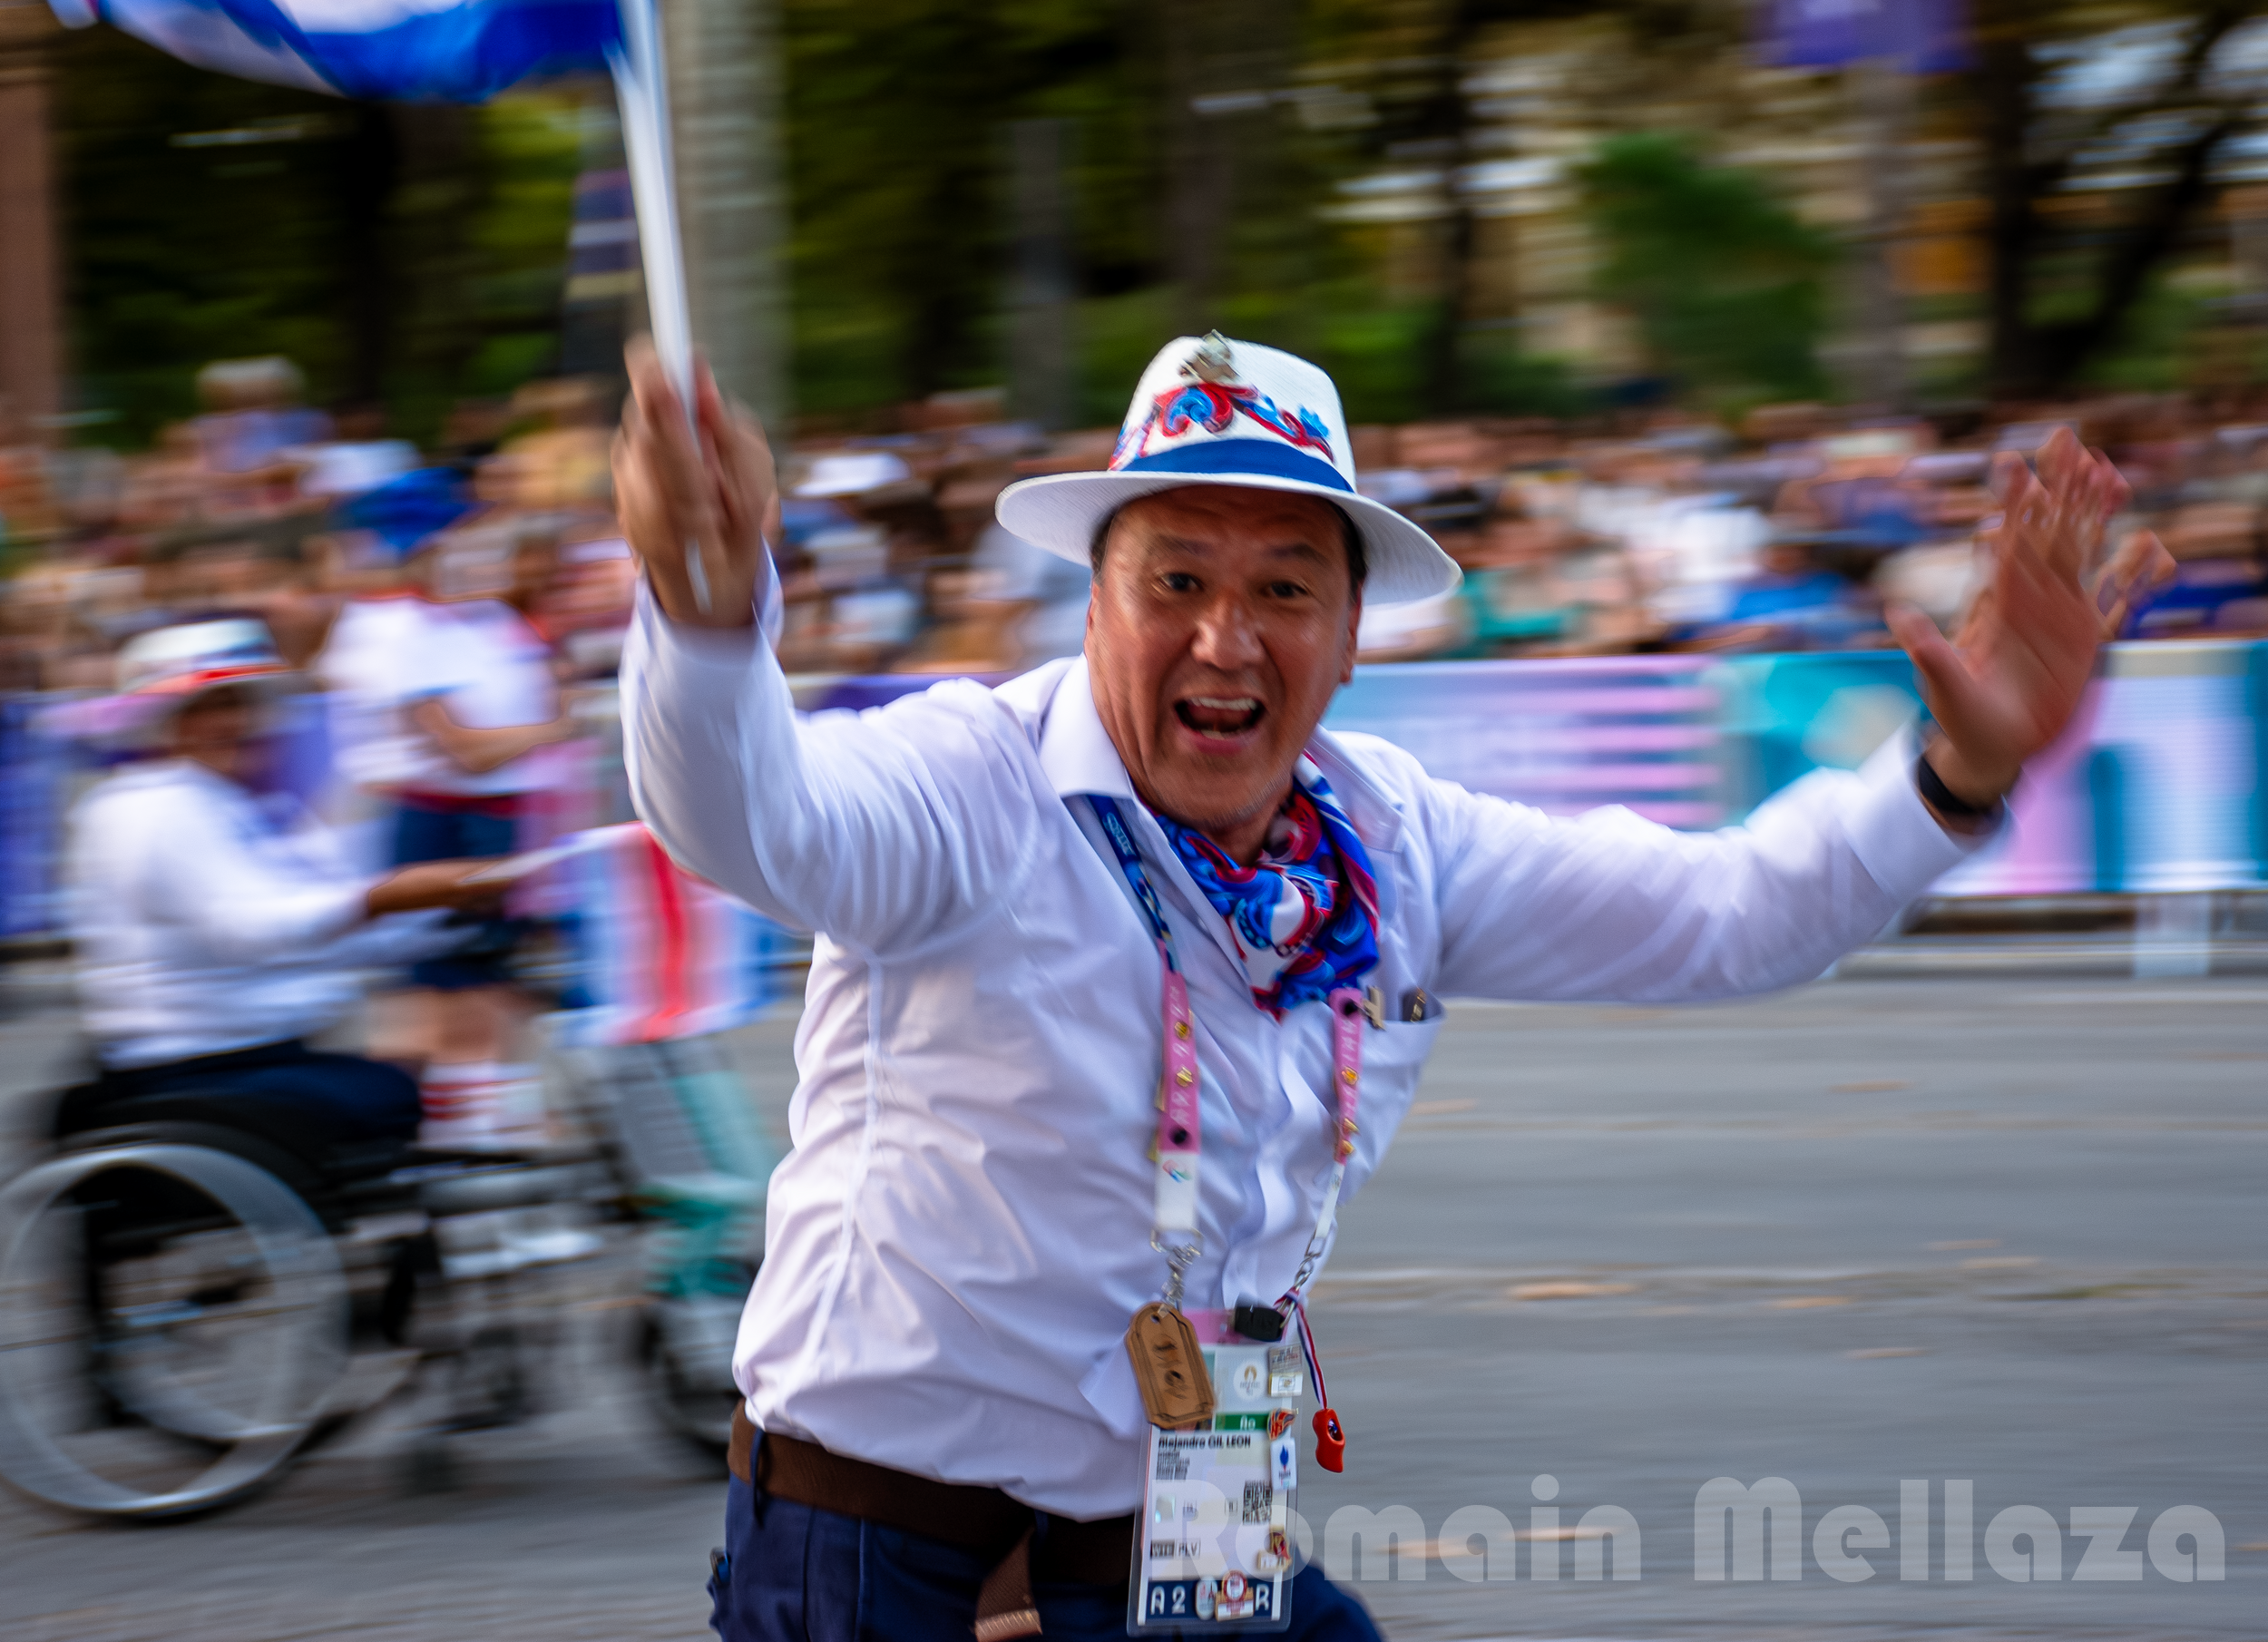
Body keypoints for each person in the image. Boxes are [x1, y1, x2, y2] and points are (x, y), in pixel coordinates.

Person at [612, 331, 2166, 1642]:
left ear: (1351, 637)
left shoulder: (1397, 843)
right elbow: (751, 816)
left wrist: (1961, 767)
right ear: (1094, 603)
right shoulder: (968, 789)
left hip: (1204, 1508)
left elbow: (1730, 914)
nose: (1227, 637)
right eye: (1176, 579)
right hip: (892, 1559)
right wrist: (698, 621)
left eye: (1288, 588)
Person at [64, 620, 507, 1151]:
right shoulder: (155, 808)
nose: (241, 723)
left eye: (244, 705)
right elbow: (256, 929)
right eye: (212, 708)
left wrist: (448, 917)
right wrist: (391, 897)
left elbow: (319, 927)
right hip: (195, 1066)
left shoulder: (227, 803)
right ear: (163, 723)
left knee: (406, 1081)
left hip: (248, 1055)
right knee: (394, 1090)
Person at [320, 470, 579, 1146]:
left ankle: (480, 1130)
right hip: (439, 819)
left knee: (484, 991)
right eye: (460, 531)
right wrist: (554, 732)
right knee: (445, 996)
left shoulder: (475, 619)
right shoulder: (397, 630)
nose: (477, 545)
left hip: (492, 816)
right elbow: (466, 750)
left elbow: (528, 716)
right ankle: (429, 1134)